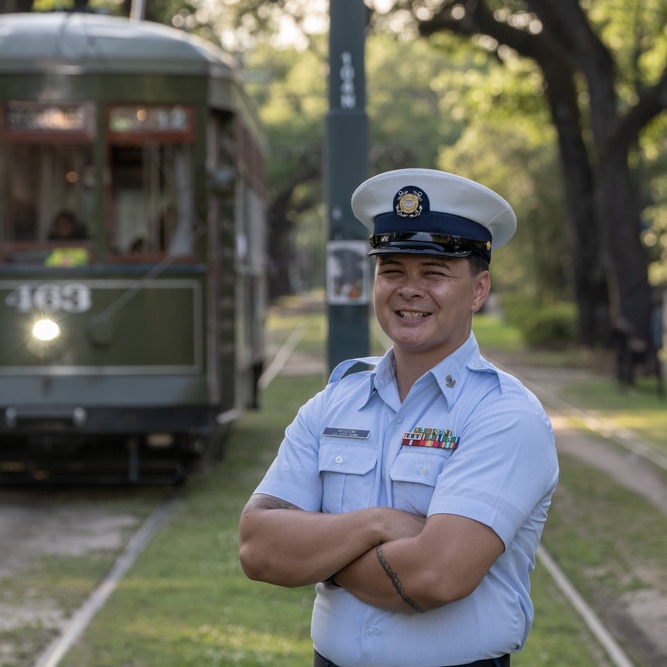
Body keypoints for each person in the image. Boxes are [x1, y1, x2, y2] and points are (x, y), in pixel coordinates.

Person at [239, 168, 559, 667]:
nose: (409, 290)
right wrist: (378, 523)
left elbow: (437, 576)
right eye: (392, 270)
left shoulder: (504, 415)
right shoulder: (333, 402)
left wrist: (320, 555)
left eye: (434, 273)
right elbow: (258, 547)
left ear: (478, 290)